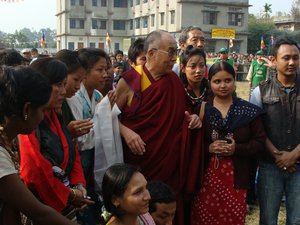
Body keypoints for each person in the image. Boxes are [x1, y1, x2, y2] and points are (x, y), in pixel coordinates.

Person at [115, 30, 202, 225]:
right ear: (152, 53)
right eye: (170, 52)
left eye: (175, 52)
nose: (174, 58)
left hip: (168, 164)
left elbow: (184, 111)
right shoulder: (129, 81)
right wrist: (125, 131)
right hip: (139, 162)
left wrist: (194, 118)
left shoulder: (173, 81)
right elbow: (108, 118)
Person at [0, 66, 79, 225]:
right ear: (27, 110)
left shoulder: (9, 140)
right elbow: (38, 212)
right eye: (42, 110)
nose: (43, 116)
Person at [191, 61, 266, 225]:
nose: (223, 86)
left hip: (237, 179)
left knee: (232, 220)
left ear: (234, 81)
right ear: (209, 83)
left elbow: (260, 141)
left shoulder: (248, 111)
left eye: (228, 80)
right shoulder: (201, 109)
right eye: (217, 81)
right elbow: (191, 144)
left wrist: (236, 149)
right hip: (206, 178)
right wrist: (208, 147)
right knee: (204, 219)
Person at [18, 58, 93, 217]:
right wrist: (70, 195)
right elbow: (35, 171)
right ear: (42, 85)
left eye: (64, 85)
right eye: (59, 85)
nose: (64, 92)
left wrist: (79, 184)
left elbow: (71, 151)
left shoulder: (54, 114)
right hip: (44, 207)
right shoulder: (28, 121)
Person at [250, 38, 300, 225]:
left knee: (296, 220)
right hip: (270, 166)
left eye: (296, 58)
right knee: (268, 219)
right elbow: (257, 129)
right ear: (274, 59)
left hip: (298, 166)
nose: (291, 62)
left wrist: (293, 155)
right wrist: (279, 156)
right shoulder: (259, 92)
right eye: (286, 58)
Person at [67, 48, 111, 225]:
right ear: (84, 74)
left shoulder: (99, 95)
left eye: (106, 69)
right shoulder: (75, 97)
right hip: (81, 157)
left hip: (94, 157)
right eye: (99, 70)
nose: (105, 74)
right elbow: (82, 137)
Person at [55, 49, 93, 138]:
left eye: (80, 81)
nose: (78, 87)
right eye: (76, 80)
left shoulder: (65, 101)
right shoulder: (50, 105)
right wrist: (67, 133)